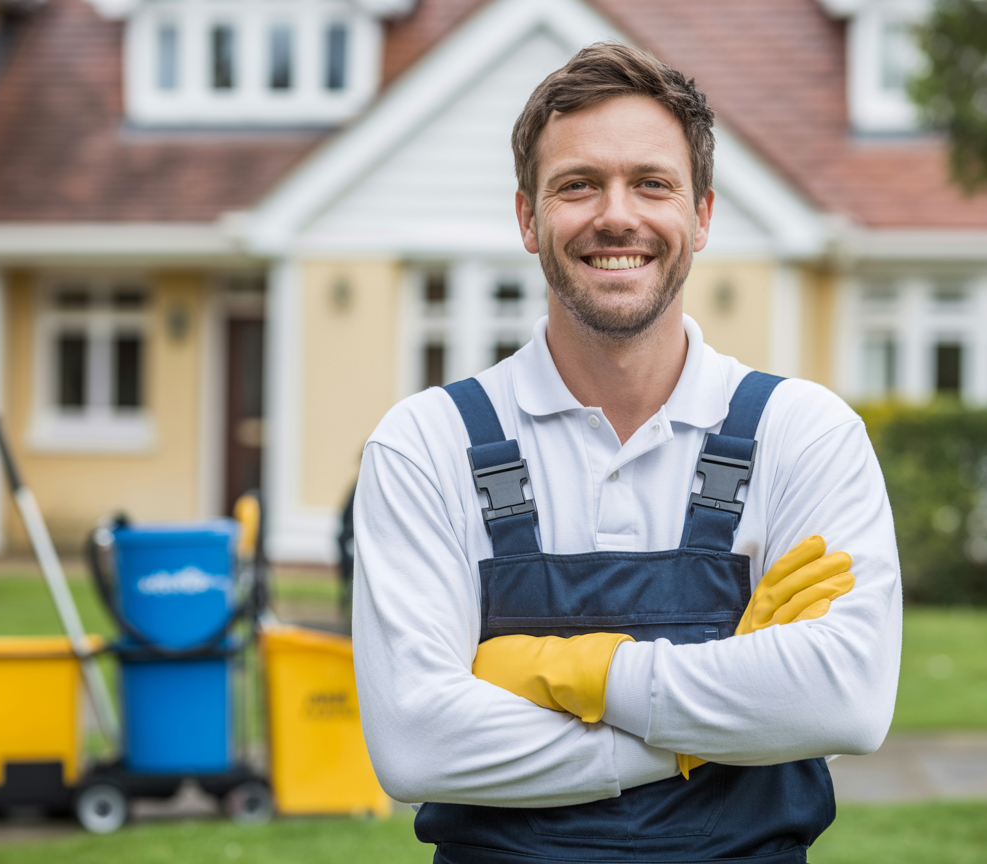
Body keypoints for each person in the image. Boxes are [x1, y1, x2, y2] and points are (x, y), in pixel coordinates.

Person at [353, 42, 902, 864]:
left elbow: (845, 700)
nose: (617, 216)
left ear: (702, 216)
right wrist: (714, 723)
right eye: (578, 184)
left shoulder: (804, 435)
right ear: (528, 218)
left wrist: (578, 673)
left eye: (652, 183)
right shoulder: (426, 445)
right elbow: (417, 745)